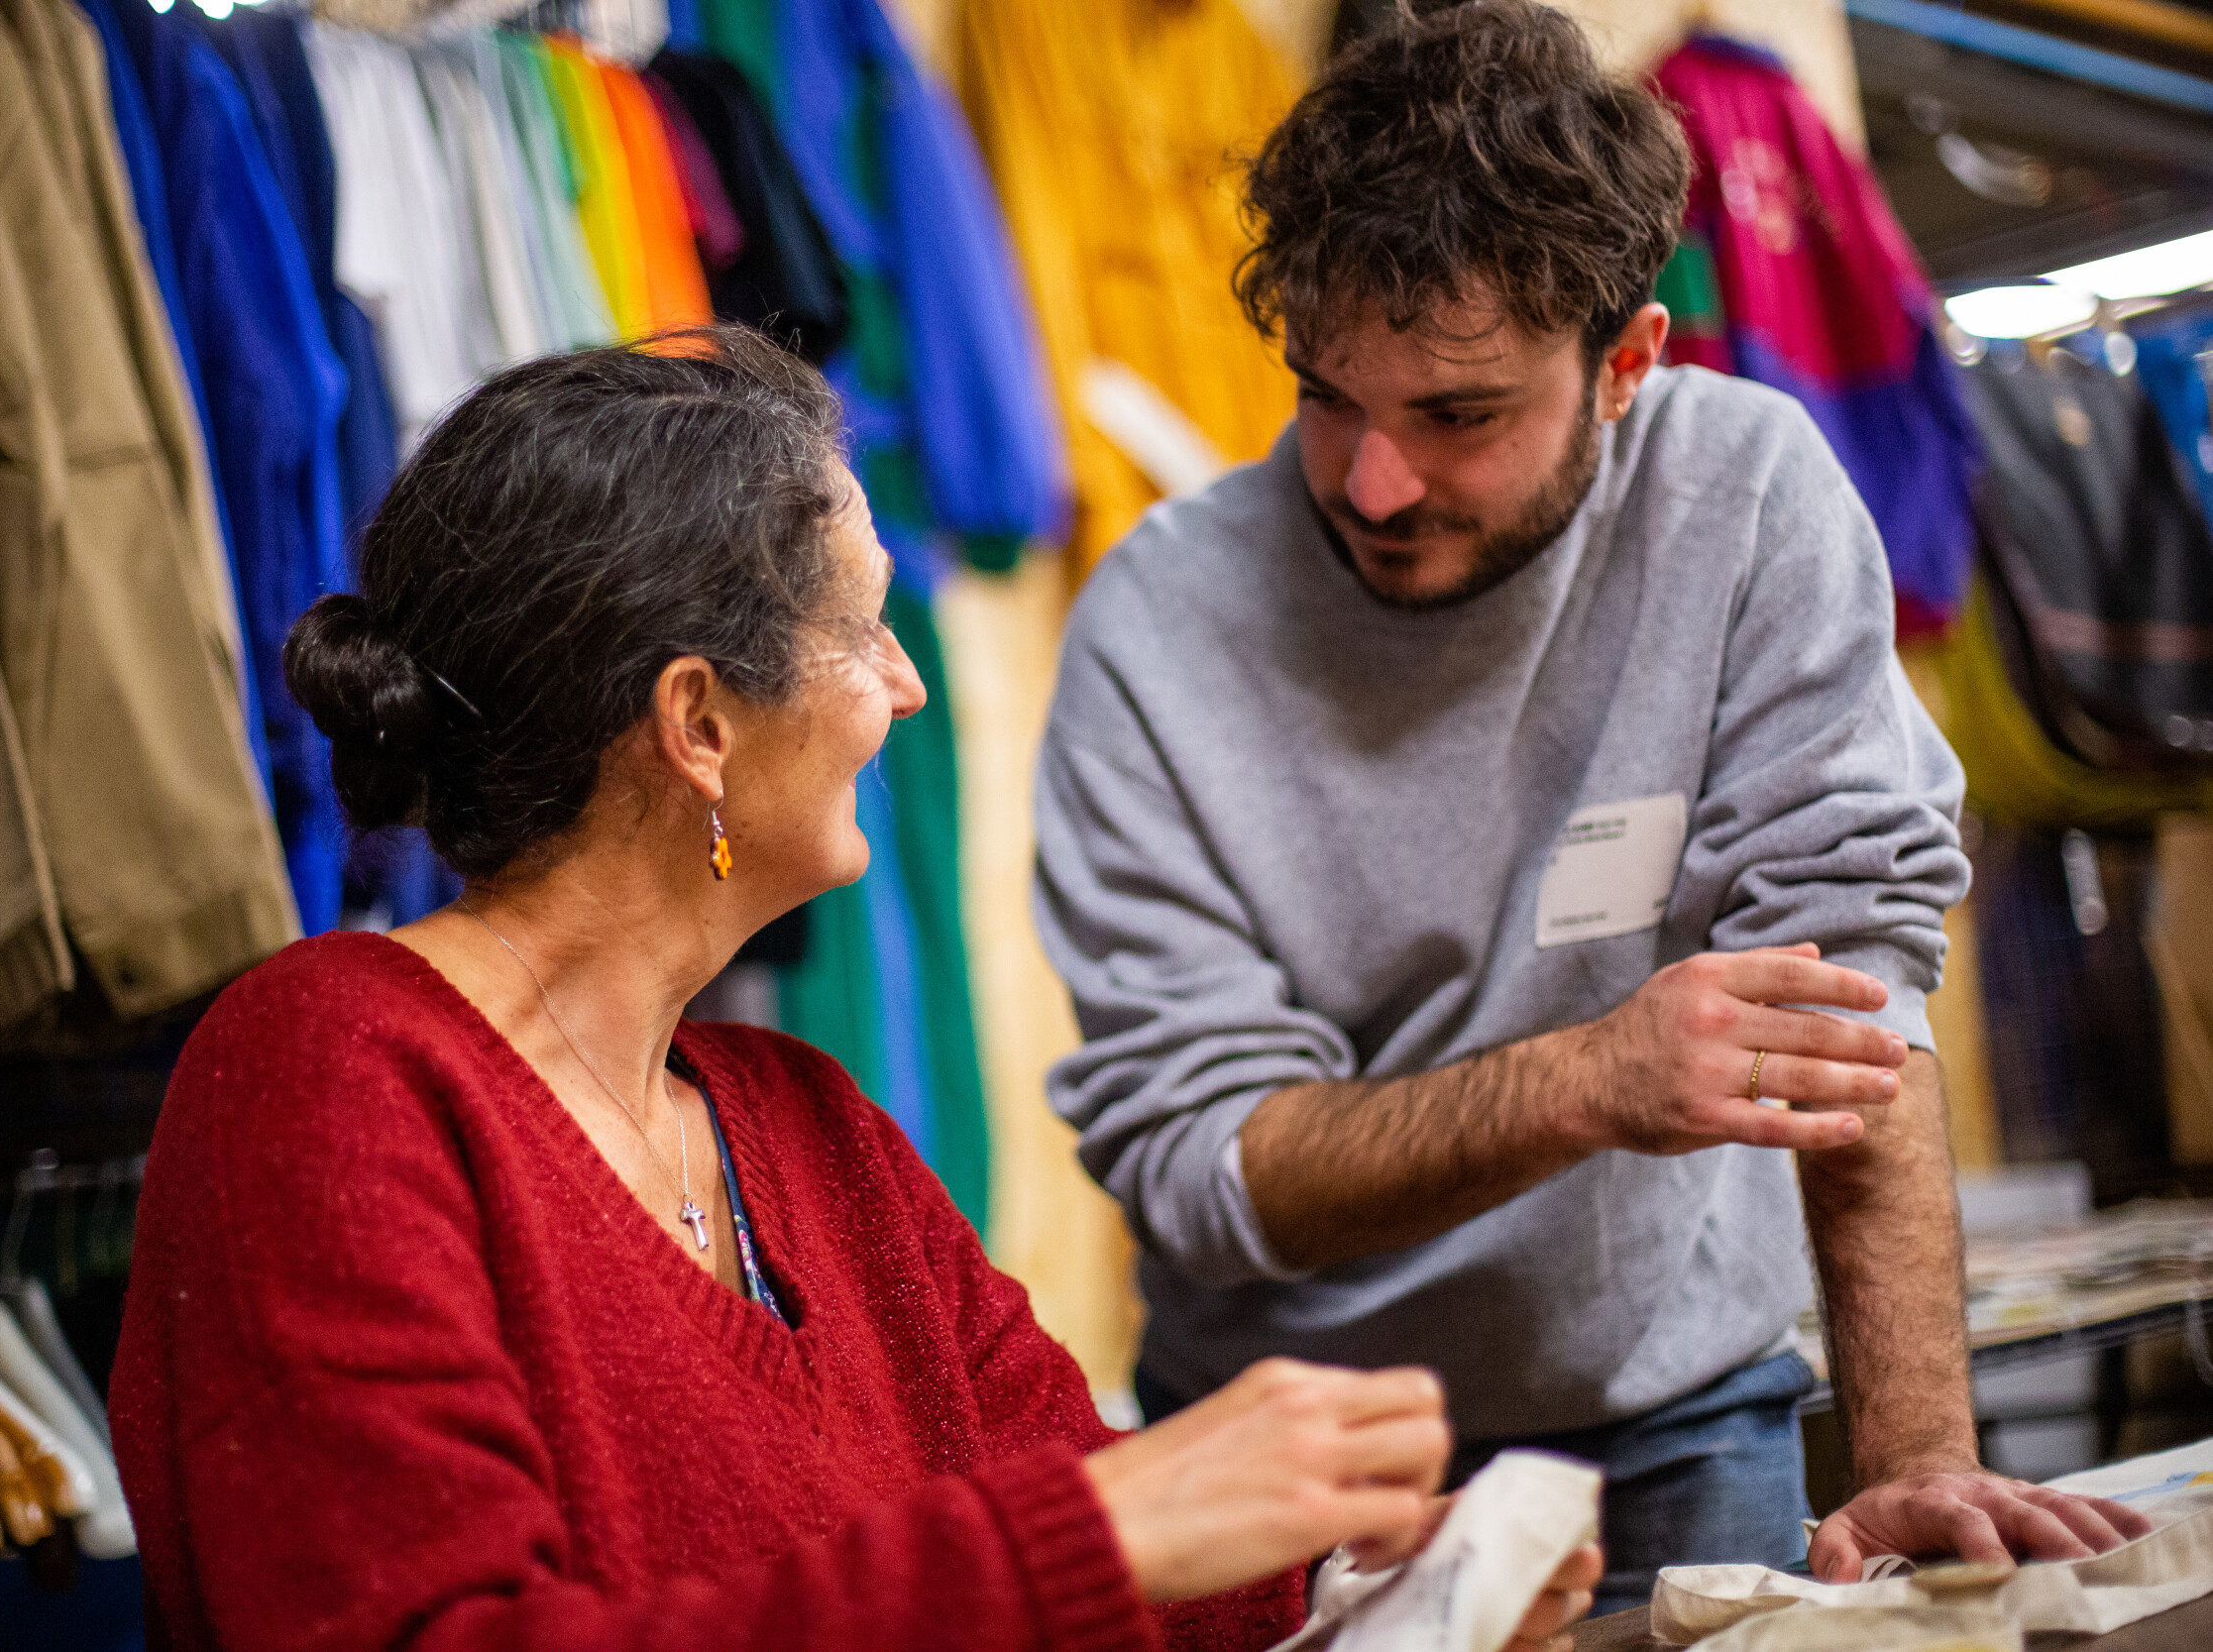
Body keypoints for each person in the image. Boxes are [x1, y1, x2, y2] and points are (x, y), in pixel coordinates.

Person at [106, 330, 1599, 1652]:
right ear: (698, 720)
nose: (909, 684)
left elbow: (1094, 1542)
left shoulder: (807, 1130)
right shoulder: (326, 1069)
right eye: (865, 626)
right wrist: (1110, 1534)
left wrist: (1371, 1575)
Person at [1032, 0, 2150, 1616]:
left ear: (1626, 363)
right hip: (1292, 1454)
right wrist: (1588, 1081)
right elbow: (1199, 1157)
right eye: (1328, 395)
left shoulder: (1748, 494)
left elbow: (1850, 984)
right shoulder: (1156, 623)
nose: (1370, 483)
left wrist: (1914, 1450)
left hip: (1675, 1421)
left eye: (1460, 414)